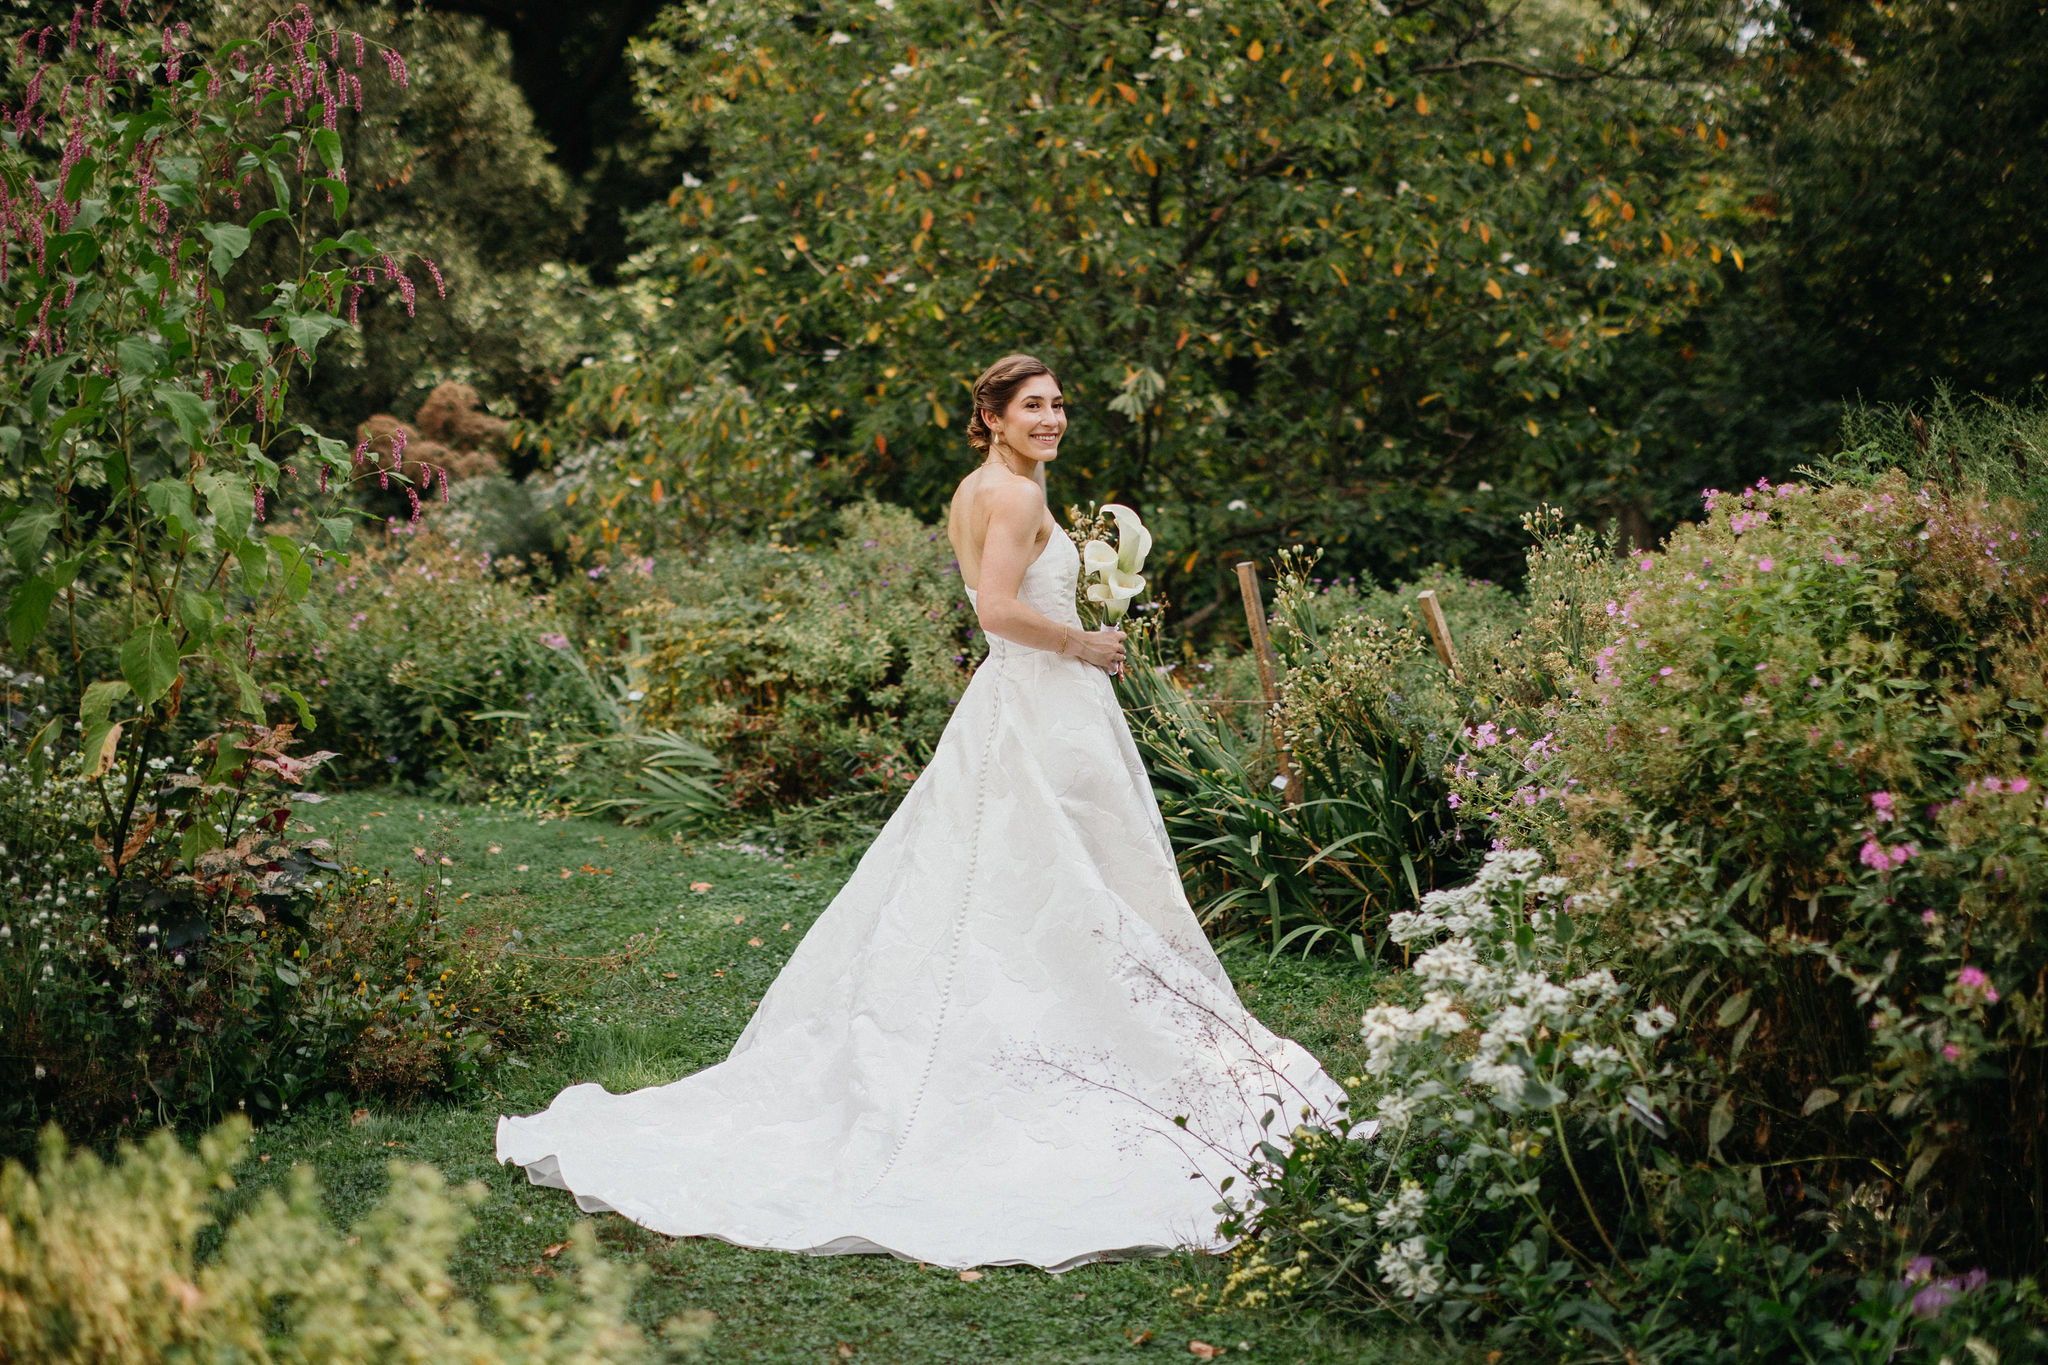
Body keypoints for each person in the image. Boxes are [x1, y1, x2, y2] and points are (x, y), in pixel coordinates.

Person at [496, 353, 1355, 1272]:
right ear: (991, 415)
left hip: (1023, 704)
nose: (1053, 418)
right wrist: (1084, 639)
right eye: (1033, 406)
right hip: (1040, 702)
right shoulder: (1016, 497)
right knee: (1068, 880)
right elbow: (994, 609)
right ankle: (1080, 1039)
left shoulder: (980, 488)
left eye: (1059, 404)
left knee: (1020, 882)